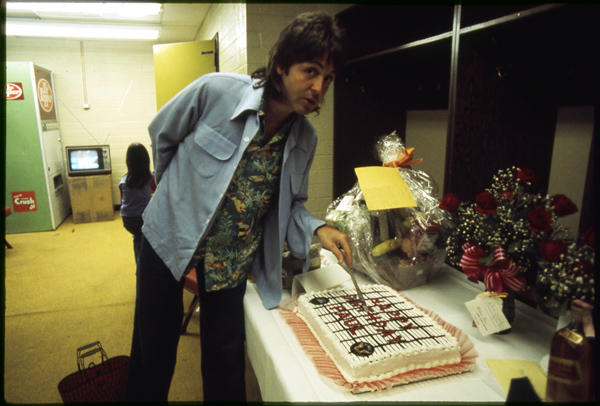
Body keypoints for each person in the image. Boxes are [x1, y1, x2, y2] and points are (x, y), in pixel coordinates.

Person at [123, 12, 352, 402]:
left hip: (230, 259)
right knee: (153, 354)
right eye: (310, 71)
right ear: (281, 66)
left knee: (226, 364)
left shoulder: (305, 139)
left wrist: (318, 226)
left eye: (327, 78)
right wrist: (175, 194)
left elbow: (290, 204)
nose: (318, 88)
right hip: (167, 238)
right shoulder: (216, 91)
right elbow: (162, 134)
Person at [119, 143, 155, 262]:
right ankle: (143, 266)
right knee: (145, 238)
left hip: (127, 220)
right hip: (142, 220)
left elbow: (122, 202)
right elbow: (156, 190)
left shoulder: (123, 181)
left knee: (138, 237)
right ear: (146, 161)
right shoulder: (150, 178)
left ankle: (139, 263)